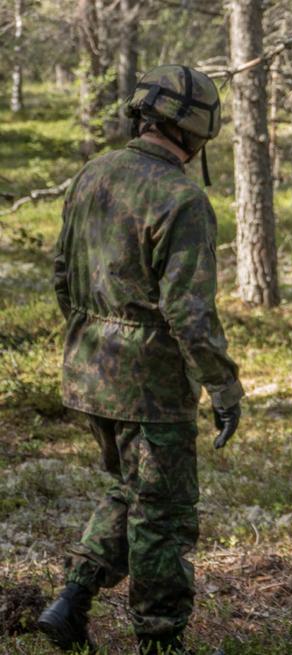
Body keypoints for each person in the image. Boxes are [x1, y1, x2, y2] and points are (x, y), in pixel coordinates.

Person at [38, 65, 244, 655]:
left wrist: (93, 342)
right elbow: (190, 316)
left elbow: (61, 277)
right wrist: (224, 389)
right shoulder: (181, 197)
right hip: (149, 386)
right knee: (165, 515)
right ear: (194, 131)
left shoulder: (93, 174)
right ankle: (159, 640)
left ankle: (72, 599)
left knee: (129, 492)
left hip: (86, 370)